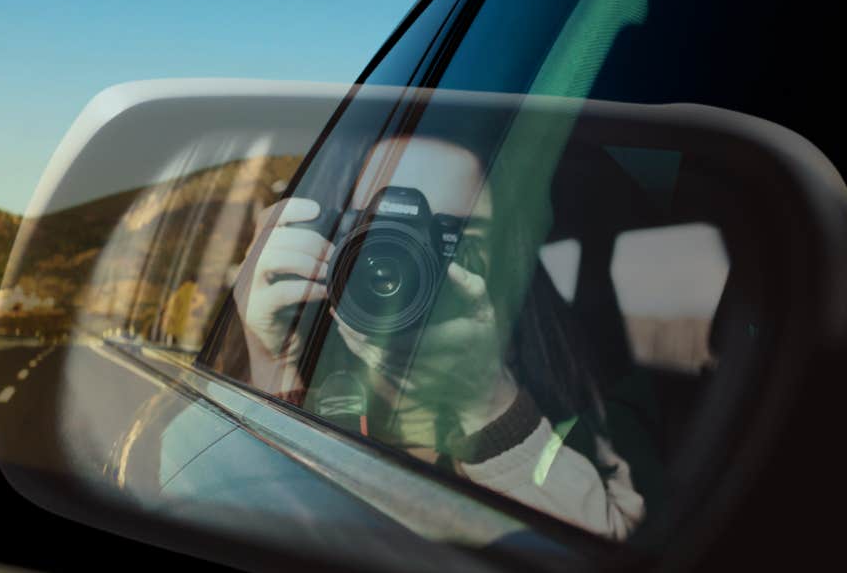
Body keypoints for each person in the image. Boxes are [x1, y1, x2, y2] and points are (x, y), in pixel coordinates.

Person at [231, 133, 647, 540]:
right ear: (327, 246)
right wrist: (274, 364)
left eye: (454, 237)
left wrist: (489, 404)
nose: (408, 259)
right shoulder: (313, 393)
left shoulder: (595, 421)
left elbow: (610, 547)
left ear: (512, 262)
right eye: (375, 230)